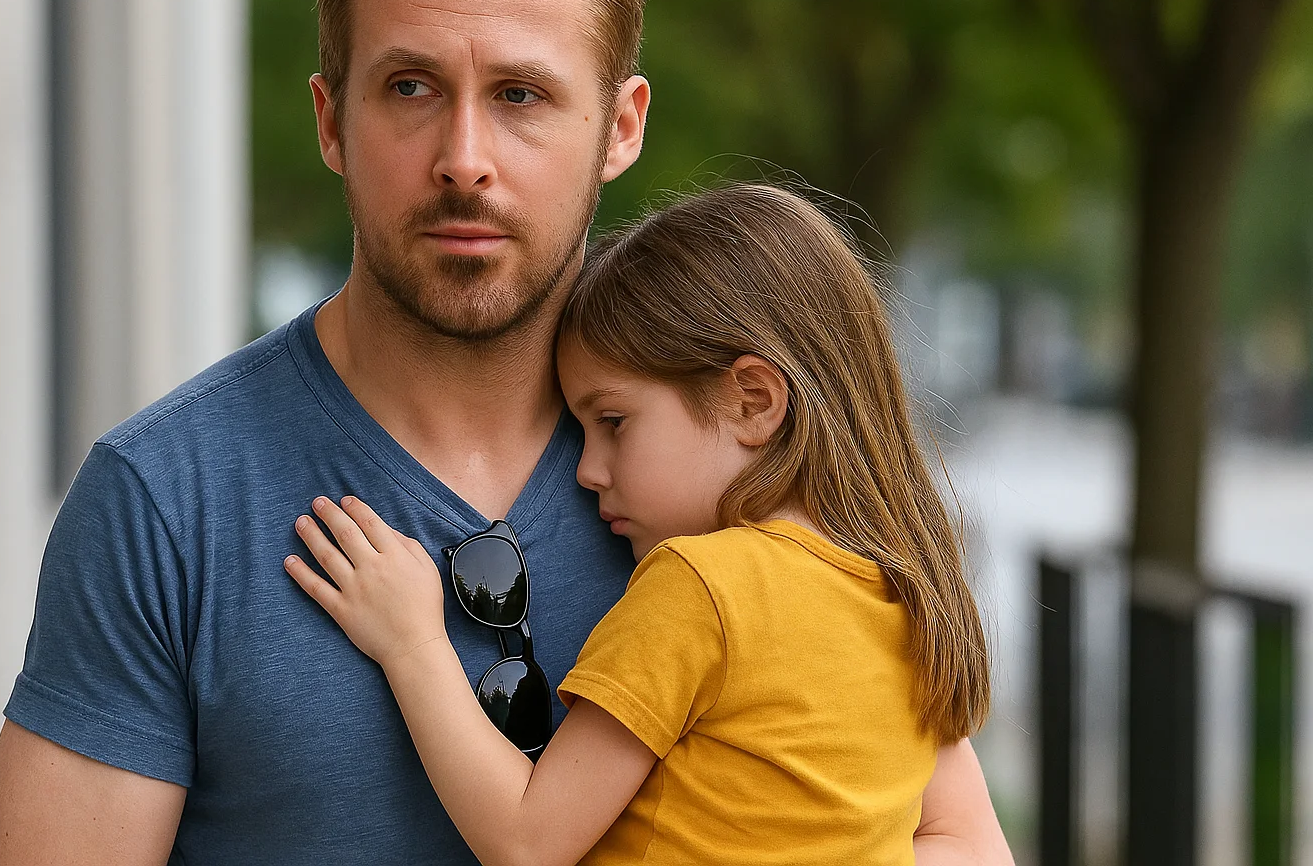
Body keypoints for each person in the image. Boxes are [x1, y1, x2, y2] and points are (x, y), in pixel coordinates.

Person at [0, 0, 1012, 864]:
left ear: (621, 127)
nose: (464, 159)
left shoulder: (726, 466)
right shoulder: (166, 498)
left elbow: (949, 832)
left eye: (520, 95)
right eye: (411, 87)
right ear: (332, 122)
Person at [285, 184, 998, 866]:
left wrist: (411, 643)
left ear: (753, 401)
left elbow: (528, 841)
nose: (587, 469)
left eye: (614, 421)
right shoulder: (903, 598)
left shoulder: (701, 587)